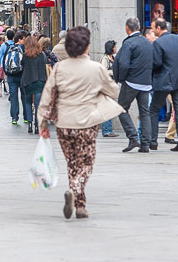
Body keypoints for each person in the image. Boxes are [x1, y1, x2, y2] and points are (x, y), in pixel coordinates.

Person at [37, 26, 124, 219]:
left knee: (72, 163)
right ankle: (76, 191)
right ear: (86, 47)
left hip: (64, 123)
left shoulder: (59, 68)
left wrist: (42, 122)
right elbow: (113, 91)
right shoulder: (96, 68)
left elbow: (47, 96)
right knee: (87, 162)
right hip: (87, 122)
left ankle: (80, 204)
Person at [147, 18, 178, 152]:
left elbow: (156, 63)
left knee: (154, 109)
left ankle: (153, 141)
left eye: (152, 27)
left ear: (158, 28)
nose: (152, 30)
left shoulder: (158, 43)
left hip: (164, 80)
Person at [113, 18, 153, 153]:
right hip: (146, 83)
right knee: (145, 113)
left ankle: (133, 137)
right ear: (139, 27)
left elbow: (123, 64)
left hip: (131, 82)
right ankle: (145, 143)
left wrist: (121, 78)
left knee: (121, 108)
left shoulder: (129, 43)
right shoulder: (147, 43)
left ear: (126, 28)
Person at [20, 35, 47, 134]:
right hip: (39, 80)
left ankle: (30, 125)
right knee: (37, 104)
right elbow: (45, 63)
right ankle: (37, 125)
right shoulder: (42, 54)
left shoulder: (25, 55)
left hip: (27, 81)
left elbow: (21, 65)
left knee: (27, 103)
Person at [3, 31, 27, 125]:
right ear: (19, 40)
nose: (24, 41)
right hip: (22, 75)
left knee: (13, 97)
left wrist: (7, 73)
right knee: (24, 96)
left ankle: (14, 117)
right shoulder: (24, 49)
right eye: (23, 39)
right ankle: (26, 116)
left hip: (11, 76)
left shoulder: (9, 48)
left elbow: (4, 61)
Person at [99, 40, 119, 138]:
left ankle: (108, 129)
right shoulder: (105, 59)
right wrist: (113, 72)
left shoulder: (113, 58)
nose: (116, 48)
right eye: (114, 47)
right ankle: (106, 130)